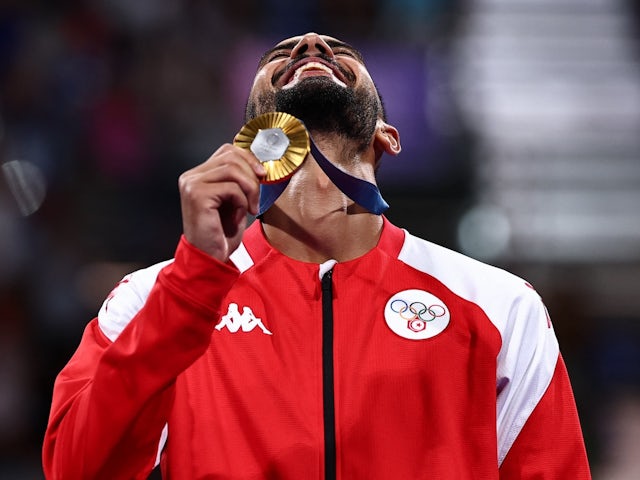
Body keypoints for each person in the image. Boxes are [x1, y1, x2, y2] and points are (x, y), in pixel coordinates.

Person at [42, 32, 591, 479]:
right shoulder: (154, 299)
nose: (309, 44)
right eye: (280, 55)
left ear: (387, 138)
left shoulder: (498, 306)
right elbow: (77, 469)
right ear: (247, 140)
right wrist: (193, 283)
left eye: (340, 51)